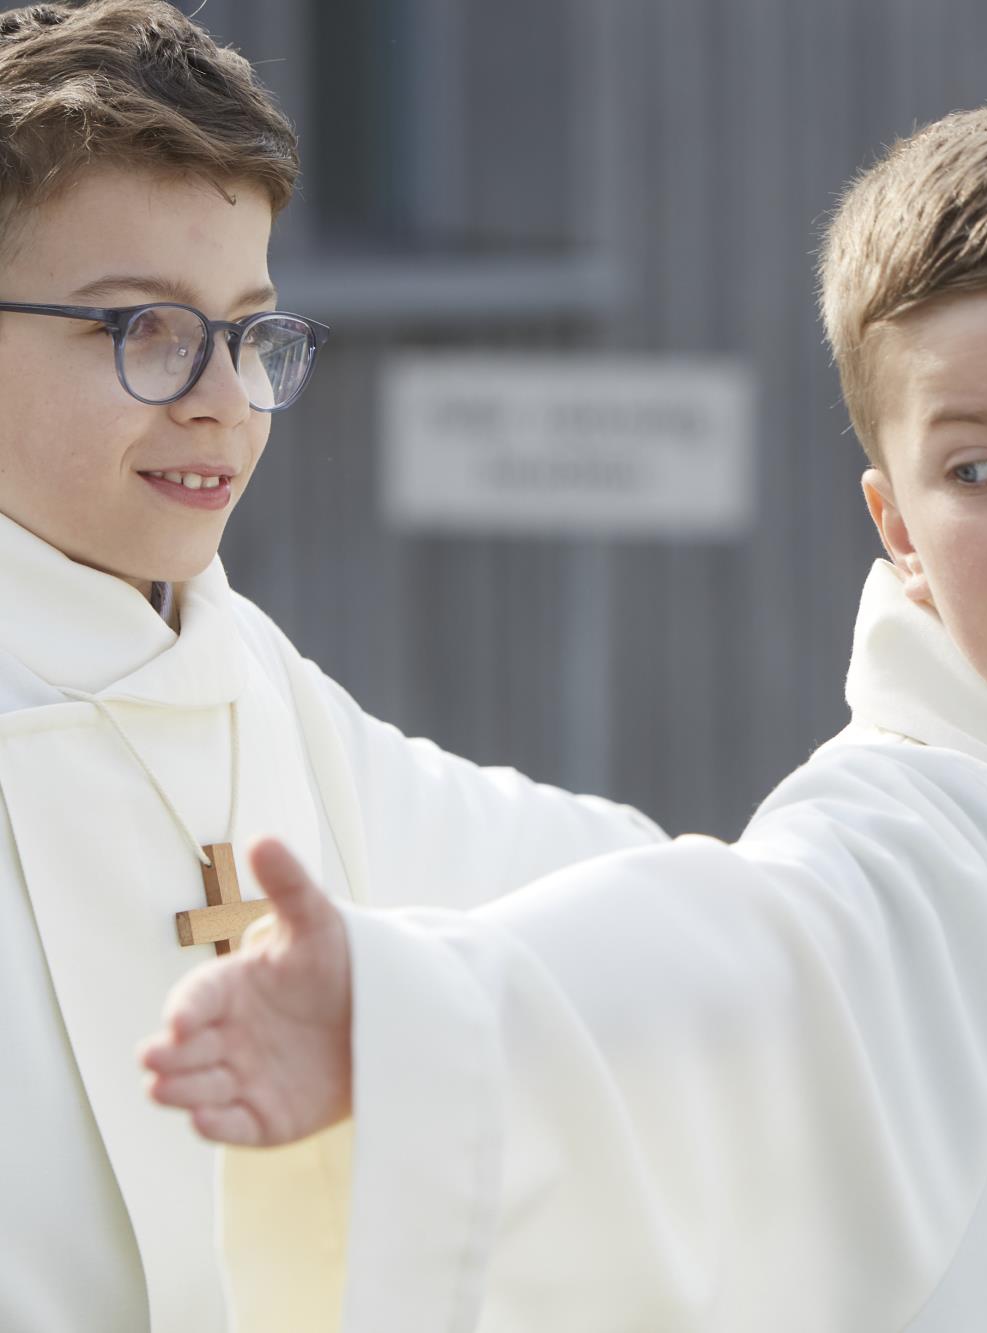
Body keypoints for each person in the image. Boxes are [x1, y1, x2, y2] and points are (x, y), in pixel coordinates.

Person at [143, 90, 987, 1331]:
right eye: (980, 470)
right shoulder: (916, 851)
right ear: (900, 533)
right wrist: (395, 1019)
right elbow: (703, 967)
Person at [0, 5, 667, 1329]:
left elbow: (622, 892)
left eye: (249, 333)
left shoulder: (251, 680)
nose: (221, 401)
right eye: (143, 329)